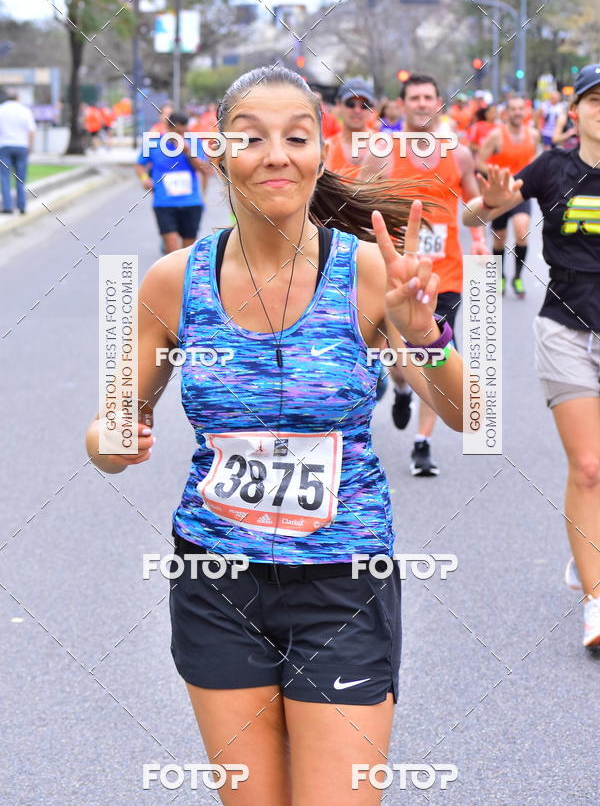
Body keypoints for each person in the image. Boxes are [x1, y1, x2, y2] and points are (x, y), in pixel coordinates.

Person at [86, 66, 465, 804]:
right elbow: (105, 432)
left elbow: (471, 418)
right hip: (216, 583)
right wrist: (114, 439)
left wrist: (424, 336)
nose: (276, 154)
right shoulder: (170, 281)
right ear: (220, 154)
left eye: (297, 136)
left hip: (341, 579)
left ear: (322, 153)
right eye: (251, 137)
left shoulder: (366, 274)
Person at [463, 64, 600, 649]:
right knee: (590, 466)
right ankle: (597, 600)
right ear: (575, 111)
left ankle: (586, 554)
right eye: (594, 100)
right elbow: (475, 215)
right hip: (566, 329)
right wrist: (488, 206)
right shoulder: (553, 167)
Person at [362, 72, 488, 476]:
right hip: (397, 277)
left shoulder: (460, 154)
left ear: (439, 103)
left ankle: (423, 443)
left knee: (436, 354)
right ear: (401, 105)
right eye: (413, 97)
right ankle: (401, 388)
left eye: (428, 97)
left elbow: (469, 211)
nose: (421, 103)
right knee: (401, 362)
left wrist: (491, 206)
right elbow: (359, 206)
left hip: (444, 276)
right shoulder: (382, 152)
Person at [476, 95, 540, 298]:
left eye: (521, 108)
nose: (517, 112)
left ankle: (518, 277)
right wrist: (500, 175)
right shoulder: (496, 135)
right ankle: (500, 276)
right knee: (499, 239)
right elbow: (479, 162)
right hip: (500, 194)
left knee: (522, 232)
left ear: (525, 112)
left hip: (521, 193)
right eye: (513, 109)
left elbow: (534, 159)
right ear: (507, 113)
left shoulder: (533, 135)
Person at [135, 110, 211, 253]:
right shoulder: (154, 143)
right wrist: (145, 179)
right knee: (172, 248)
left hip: (191, 202)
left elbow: (205, 170)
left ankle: (183, 275)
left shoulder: (193, 142)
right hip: (164, 202)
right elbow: (139, 165)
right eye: (177, 132)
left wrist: (188, 152)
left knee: (188, 251)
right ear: (168, 128)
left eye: (183, 132)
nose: (180, 136)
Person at [325, 78, 379, 178]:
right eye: (350, 104)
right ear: (338, 105)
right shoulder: (327, 149)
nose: (357, 110)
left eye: (364, 105)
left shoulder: (384, 145)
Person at [0, 91, 36, 214]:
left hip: (4, 146)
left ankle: (8, 206)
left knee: (4, 177)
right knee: (20, 178)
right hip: (21, 146)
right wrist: (30, 147)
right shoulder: (25, 110)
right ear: (18, 97)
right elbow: (31, 131)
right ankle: (21, 206)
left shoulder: (2, 109)